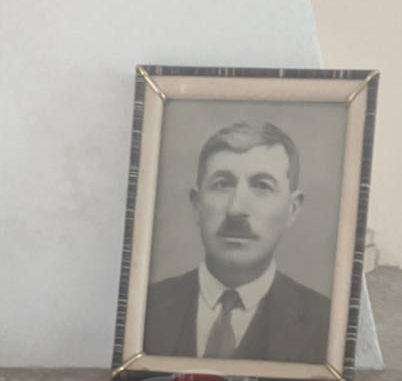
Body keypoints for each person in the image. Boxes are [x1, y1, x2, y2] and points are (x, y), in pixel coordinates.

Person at [142, 120, 333, 364]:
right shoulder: (144, 308)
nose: (236, 209)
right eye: (222, 184)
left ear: (292, 209)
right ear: (196, 204)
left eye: (262, 186)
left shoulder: (327, 324)